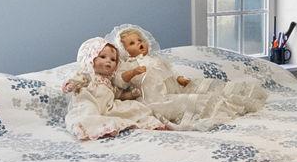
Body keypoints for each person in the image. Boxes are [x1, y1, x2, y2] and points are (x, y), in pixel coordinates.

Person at [110, 24, 266, 128]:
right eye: (132, 43)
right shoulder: (127, 65)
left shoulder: (156, 59)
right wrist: (132, 73)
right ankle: (217, 107)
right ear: (123, 50)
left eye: (139, 40)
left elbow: (169, 70)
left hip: (176, 88)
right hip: (156, 98)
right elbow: (119, 80)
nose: (139, 43)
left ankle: (236, 93)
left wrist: (179, 78)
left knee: (205, 86)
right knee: (193, 102)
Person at [61, 38, 168, 140]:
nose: (108, 61)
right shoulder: (88, 75)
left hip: (109, 107)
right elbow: (77, 80)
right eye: (103, 57)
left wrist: (131, 95)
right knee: (87, 110)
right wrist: (71, 85)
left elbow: (118, 95)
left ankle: (150, 122)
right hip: (90, 100)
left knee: (135, 107)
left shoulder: (110, 82)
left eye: (113, 59)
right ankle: (90, 128)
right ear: (90, 58)